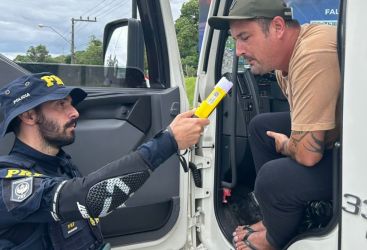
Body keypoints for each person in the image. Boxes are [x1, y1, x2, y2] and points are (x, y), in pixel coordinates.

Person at [0, 72, 210, 250]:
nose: (74, 112)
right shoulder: (7, 184)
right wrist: (168, 142)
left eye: (71, 104)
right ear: (29, 116)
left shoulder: (61, 165)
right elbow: (89, 197)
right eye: (61, 104)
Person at [209, 0, 340, 249]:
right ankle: (275, 219)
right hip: (348, 138)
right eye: (235, 40)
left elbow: (308, 155)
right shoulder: (284, 65)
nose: (238, 50)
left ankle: (275, 240)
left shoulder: (312, 53)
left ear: (278, 27)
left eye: (245, 37)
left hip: (360, 159)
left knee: (272, 178)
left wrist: (285, 146)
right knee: (261, 128)